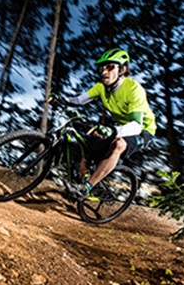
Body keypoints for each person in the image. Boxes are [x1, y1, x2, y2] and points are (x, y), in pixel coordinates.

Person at [47, 48, 157, 200]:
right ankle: (95, 187)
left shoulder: (133, 89)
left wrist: (109, 130)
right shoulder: (101, 87)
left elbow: (136, 126)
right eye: (102, 68)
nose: (104, 71)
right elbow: (79, 100)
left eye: (110, 67)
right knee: (88, 153)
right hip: (120, 128)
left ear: (123, 69)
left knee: (118, 144)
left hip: (143, 131)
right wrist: (62, 99)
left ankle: (86, 189)